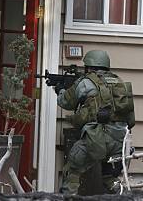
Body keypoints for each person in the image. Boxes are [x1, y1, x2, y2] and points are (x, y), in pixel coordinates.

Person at [57, 50, 135, 195]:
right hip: (120, 141)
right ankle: (123, 196)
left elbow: (65, 102)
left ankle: (68, 197)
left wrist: (60, 90)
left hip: (96, 139)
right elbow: (130, 119)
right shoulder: (119, 82)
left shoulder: (86, 82)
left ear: (89, 67)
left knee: (73, 170)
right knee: (110, 177)